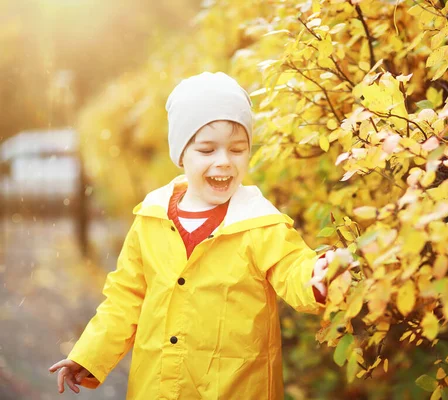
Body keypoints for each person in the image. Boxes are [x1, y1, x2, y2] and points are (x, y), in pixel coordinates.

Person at [48, 72, 333, 399]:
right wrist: (89, 356)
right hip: (156, 389)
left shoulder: (259, 222)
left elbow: (293, 268)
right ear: (182, 154)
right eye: (207, 150)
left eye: (237, 149)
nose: (224, 162)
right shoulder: (151, 219)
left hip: (236, 389)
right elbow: (125, 300)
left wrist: (317, 276)